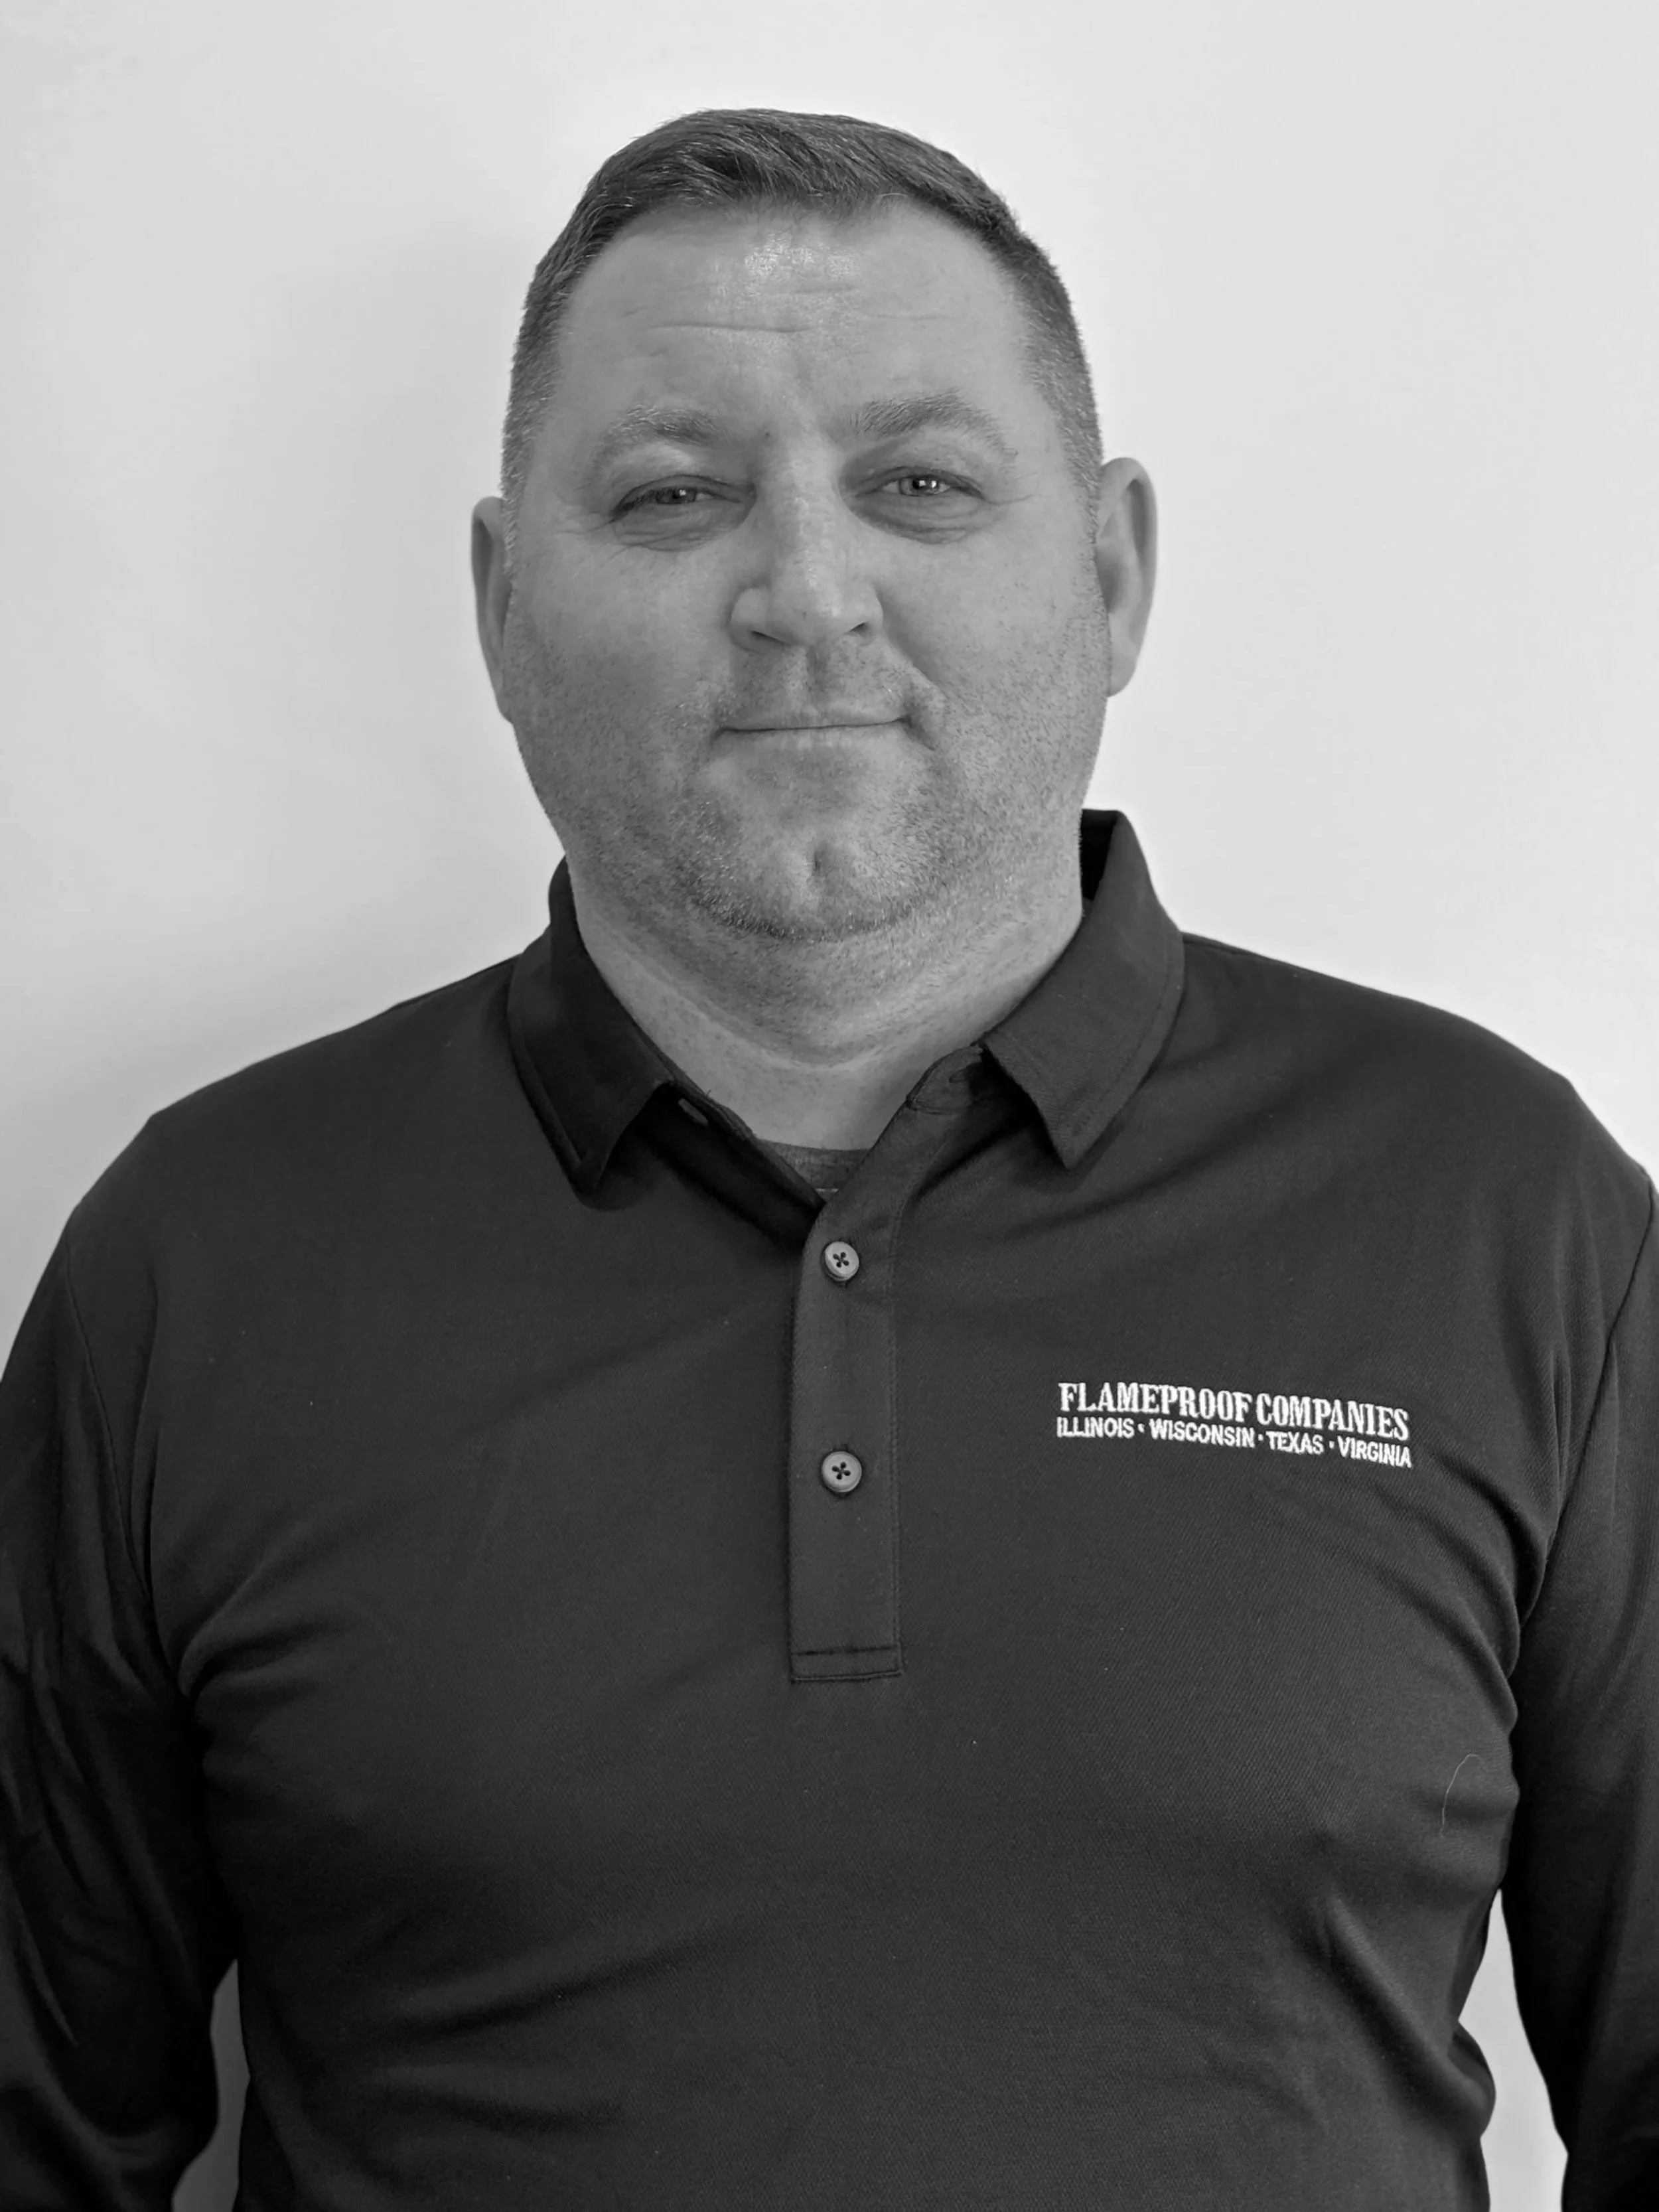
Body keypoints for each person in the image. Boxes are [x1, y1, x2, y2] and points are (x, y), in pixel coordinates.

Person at [1, 104, 1653, 2212]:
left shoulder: (1502, 1216)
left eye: (923, 484)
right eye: (675, 493)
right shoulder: (200, 1263)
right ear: (506, 604)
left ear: (1116, 567)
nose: (800, 588)